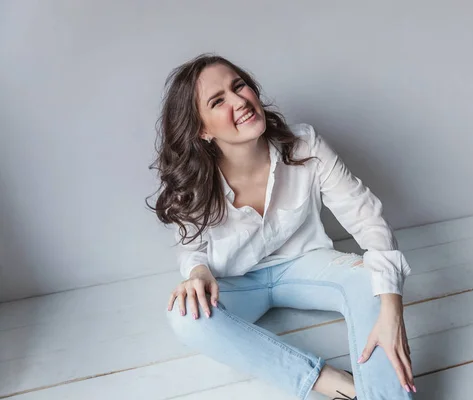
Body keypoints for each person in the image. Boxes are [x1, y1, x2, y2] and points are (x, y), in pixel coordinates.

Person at [148, 53, 415, 400]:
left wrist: (392, 308)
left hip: (306, 266)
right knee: (186, 315)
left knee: (376, 282)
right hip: (236, 282)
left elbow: (367, 218)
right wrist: (198, 271)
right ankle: (335, 385)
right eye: (218, 101)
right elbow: (192, 246)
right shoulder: (195, 181)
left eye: (238, 86)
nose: (239, 101)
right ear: (202, 130)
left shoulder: (305, 145)